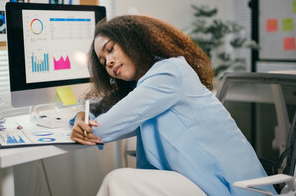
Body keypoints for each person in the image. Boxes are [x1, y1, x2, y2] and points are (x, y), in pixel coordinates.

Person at [70, 15, 276, 196]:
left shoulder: (168, 74)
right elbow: (94, 107)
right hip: (197, 179)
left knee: (116, 181)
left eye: (111, 49)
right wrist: (81, 116)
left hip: (224, 185)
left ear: (132, 40)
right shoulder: (144, 84)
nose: (109, 63)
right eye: (103, 61)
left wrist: (85, 125)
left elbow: (101, 130)